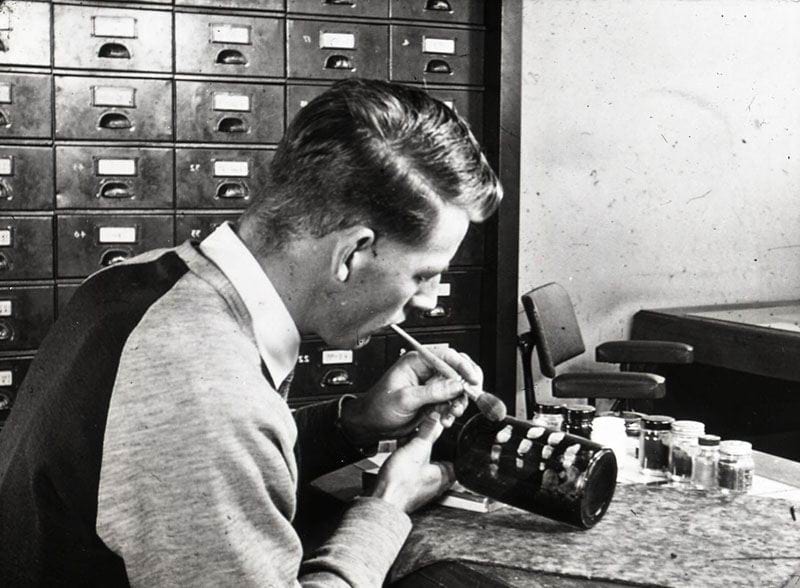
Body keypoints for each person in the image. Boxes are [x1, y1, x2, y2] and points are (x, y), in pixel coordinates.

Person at [0, 78, 503, 586]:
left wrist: (354, 423)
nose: (429, 299)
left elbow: (202, 471)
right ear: (351, 253)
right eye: (423, 274)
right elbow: (214, 429)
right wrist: (387, 505)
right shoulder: (209, 392)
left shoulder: (137, 278)